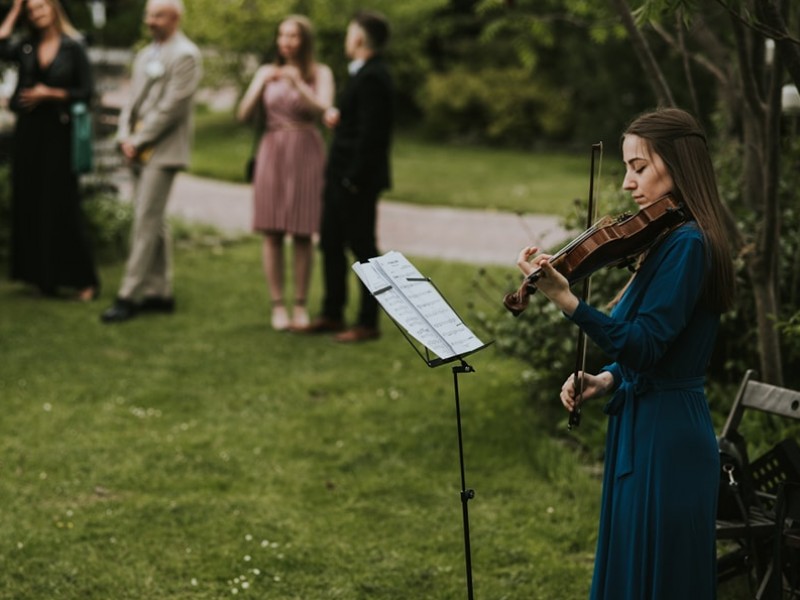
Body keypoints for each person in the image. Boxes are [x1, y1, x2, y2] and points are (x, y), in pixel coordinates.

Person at [515, 108, 735, 599]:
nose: (626, 183)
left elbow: (647, 344)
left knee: (659, 579)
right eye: (626, 169)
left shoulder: (689, 244)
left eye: (639, 167)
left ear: (678, 164)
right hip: (645, 423)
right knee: (633, 572)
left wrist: (568, 300)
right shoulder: (667, 239)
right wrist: (608, 378)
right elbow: (660, 346)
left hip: (668, 439)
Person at [100, 0, 201, 323]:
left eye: (158, 15)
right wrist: (124, 135)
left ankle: (128, 295)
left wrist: (139, 140)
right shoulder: (145, 54)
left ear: (175, 18)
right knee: (154, 220)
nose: (150, 21)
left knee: (145, 220)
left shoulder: (185, 55)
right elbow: (131, 99)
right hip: (136, 145)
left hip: (163, 150)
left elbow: (173, 107)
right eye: (148, 14)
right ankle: (160, 293)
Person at [236, 15, 334, 331]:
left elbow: (323, 109)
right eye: (282, 35)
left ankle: (301, 304)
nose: (285, 42)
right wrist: (260, 83)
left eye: (292, 36)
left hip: (306, 148)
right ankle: (278, 305)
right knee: (272, 230)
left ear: (304, 41)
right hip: (272, 149)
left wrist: (297, 84)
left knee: (303, 230)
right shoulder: (267, 72)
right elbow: (243, 114)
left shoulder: (320, 72)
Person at [301, 9, 393, 343]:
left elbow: (373, 136)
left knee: (363, 248)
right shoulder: (362, 74)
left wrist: (353, 179)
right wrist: (340, 120)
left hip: (356, 180)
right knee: (330, 242)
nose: (346, 39)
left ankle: (368, 322)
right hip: (340, 175)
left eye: (349, 33)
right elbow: (359, 124)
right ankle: (332, 312)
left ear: (358, 38)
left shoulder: (374, 77)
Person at [0, 0, 99, 301]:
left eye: (41, 6)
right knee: (30, 202)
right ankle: (42, 278)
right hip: (29, 133)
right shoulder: (26, 45)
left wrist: (50, 94)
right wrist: (15, 9)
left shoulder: (73, 47)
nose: (37, 13)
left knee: (62, 203)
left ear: (54, 8)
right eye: (31, 10)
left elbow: (86, 92)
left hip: (59, 132)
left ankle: (84, 280)